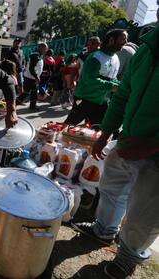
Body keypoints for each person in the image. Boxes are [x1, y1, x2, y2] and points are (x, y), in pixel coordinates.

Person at [71, 25, 159, 279]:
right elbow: (122, 96)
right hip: (127, 140)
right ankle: (105, 229)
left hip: (155, 154)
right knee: (111, 185)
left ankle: (129, 256)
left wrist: (152, 145)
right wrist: (106, 133)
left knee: (147, 209)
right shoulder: (146, 50)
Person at [64, 29, 127, 127]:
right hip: (85, 99)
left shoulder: (115, 58)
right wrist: (111, 86)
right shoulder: (96, 57)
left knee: (97, 130)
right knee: (68, 126)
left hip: (102, 101)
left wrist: (121, 85)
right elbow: (89, 79)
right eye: (122, 39)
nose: (125, 42)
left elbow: (112, 78)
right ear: (111, 40)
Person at [21, 43, 48, 110]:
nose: (46, 50)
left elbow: (36, 67)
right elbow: (31, 68)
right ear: (41, 48)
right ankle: (12, 105)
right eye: (45, 48)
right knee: (26, 93)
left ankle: (32, 106)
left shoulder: (39, 55)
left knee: (34, 93)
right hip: (30, 78)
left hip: (32, 78)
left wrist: (42, 72)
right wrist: (36, 77)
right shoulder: (36, 55)